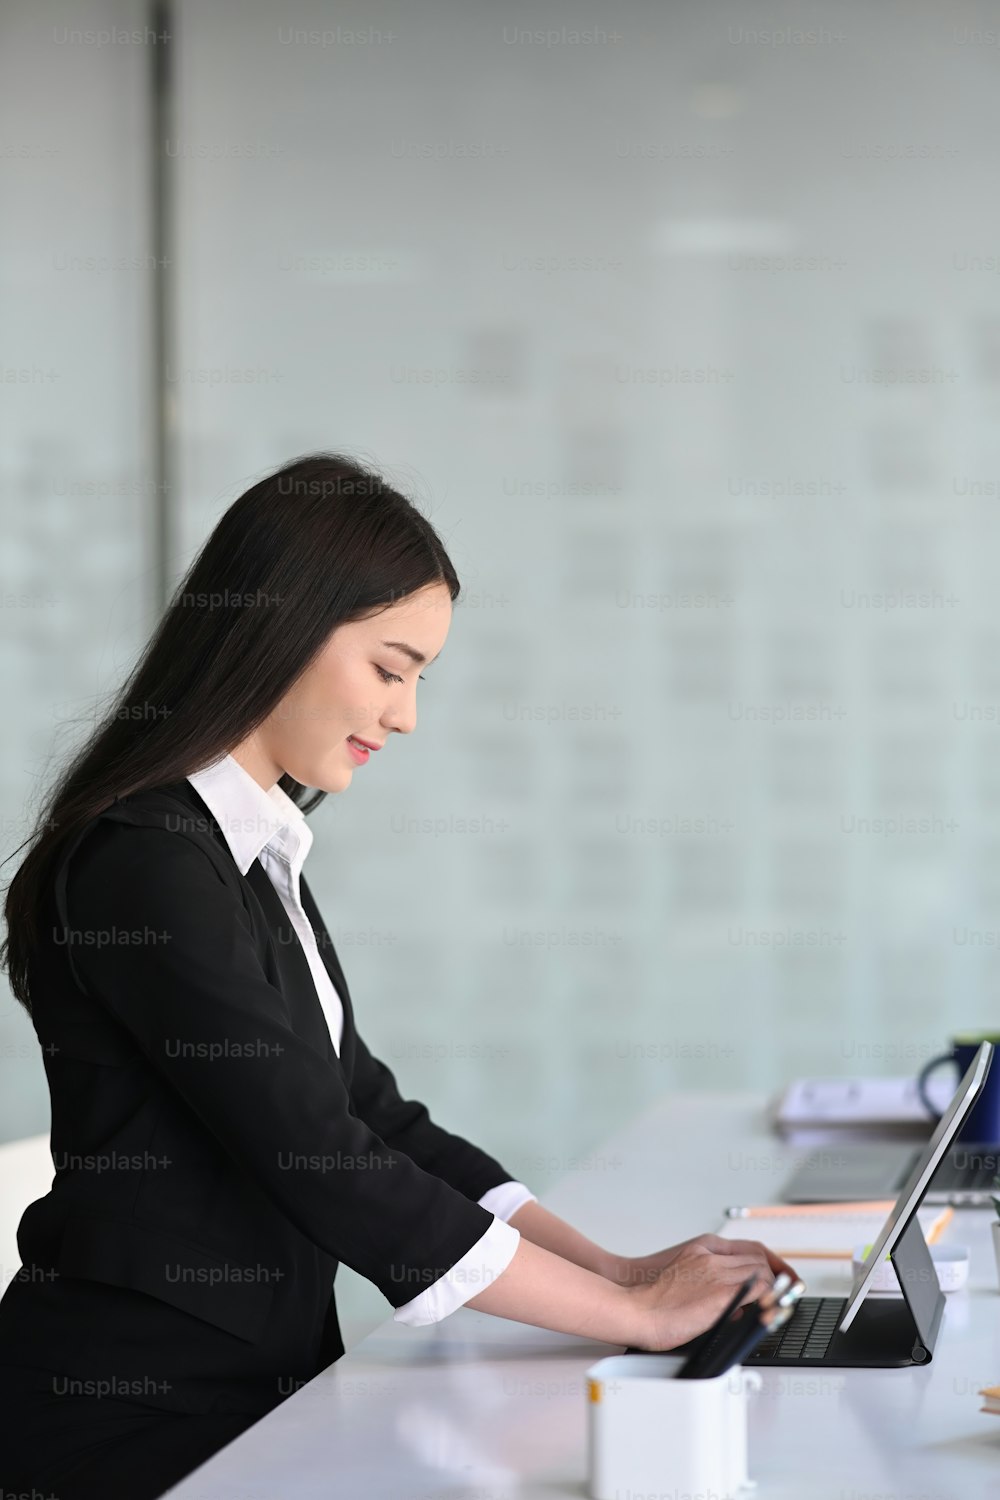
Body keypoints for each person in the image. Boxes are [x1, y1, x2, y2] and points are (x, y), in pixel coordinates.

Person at [0, 453, 790, 1498]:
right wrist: (636, 1319)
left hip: (254, 1397)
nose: (407, 714)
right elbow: (321, 1158)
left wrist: (617, 1271)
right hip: (132, 1427)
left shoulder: (245, 850)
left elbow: (372, 1116)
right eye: (390, 667)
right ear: (278, 628)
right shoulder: (145, 860)